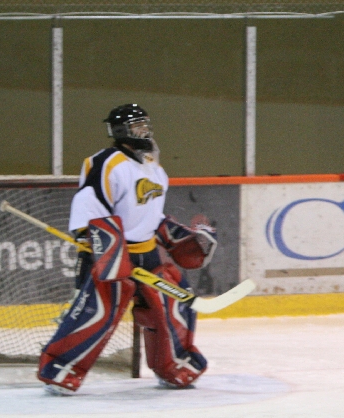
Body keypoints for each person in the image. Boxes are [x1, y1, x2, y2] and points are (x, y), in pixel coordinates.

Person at [37, 104, 216, 395]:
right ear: (121, 131)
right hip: (110, 252)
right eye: (137, 126)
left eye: (145, 125)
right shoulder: (105, 163)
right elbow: (89, 210)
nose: (144, 131)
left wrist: (178, 237)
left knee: (173, 305)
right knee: (97, 313)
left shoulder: (153, 166)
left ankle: (176, 366)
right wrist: (107, 251)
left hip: (148, 253)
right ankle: (61, 369)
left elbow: (152, 214)